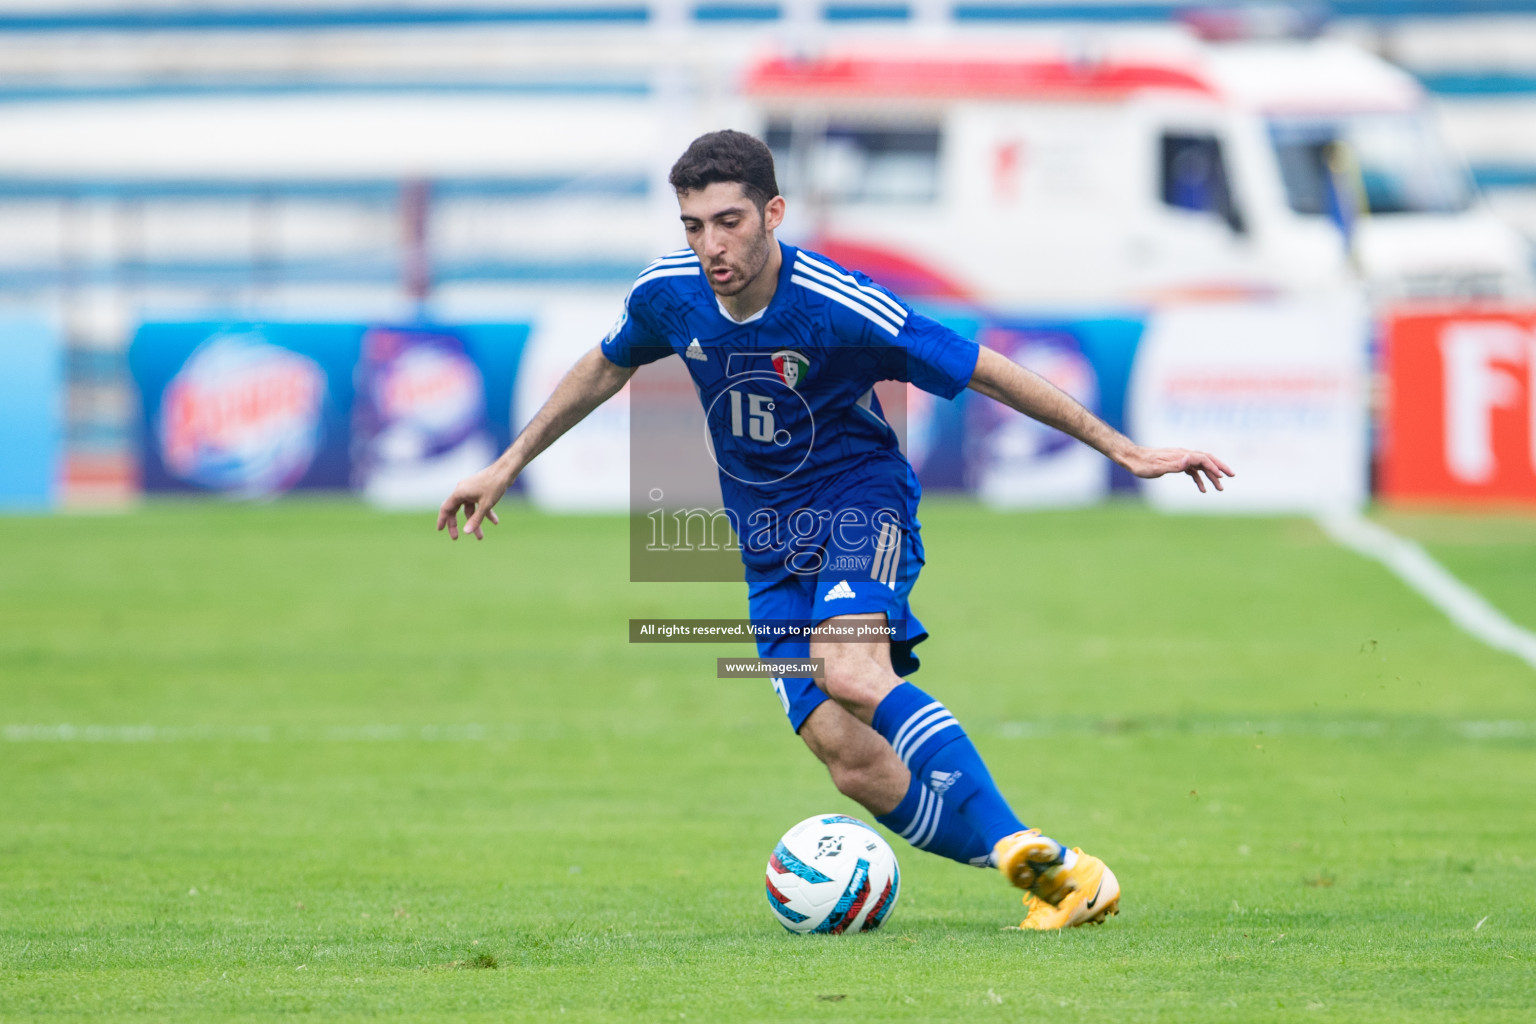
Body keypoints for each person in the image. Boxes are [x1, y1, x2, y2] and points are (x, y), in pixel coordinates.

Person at [438, 130, 1233, 930]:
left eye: (730, 221)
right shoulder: (667, 295)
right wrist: (506, 464)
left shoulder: (840, 305)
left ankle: (1023, 847)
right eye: (692, 225)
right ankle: (1052, 873)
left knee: (849, 669)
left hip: (860, 504)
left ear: (774, 213)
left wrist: (1122, 448)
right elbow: (610, 361)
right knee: (851, 763)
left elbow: (983, 366)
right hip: (766, 548)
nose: (711, 244)